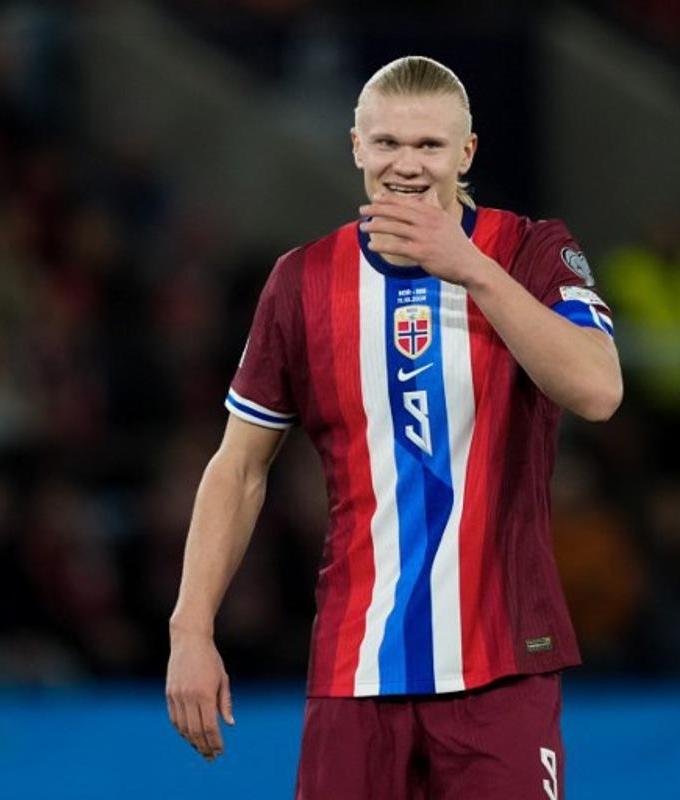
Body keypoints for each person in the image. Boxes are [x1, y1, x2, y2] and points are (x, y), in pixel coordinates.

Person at [165, 55, 622, 799]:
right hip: (357, 672)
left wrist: (468, 268)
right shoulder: (302, 282)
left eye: (429, 147)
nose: (406, 166)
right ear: (355, 147)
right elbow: (238, 467)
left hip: (502, 668)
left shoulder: (531, 253)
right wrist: (191, 629)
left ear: (465, 153)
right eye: (386, 144)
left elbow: (599, 389)